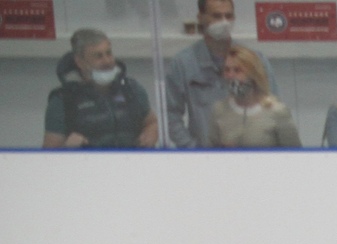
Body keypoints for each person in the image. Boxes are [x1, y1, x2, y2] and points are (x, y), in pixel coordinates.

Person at [44, 30, 158, 150]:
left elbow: (151, 122)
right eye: (98, 56)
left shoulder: (131, 89)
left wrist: (151, 132)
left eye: (109, 53)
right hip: (86, 162)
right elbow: (48, 155)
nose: (107, 61)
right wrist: (67, 148)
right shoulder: (63, 100)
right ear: (80, 62)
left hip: (132, 160)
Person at [163, 0, 241, 147]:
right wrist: (191, 150)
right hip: (202, 155)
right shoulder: (183, 63)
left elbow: (270, 108)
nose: (224, 22)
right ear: (201, 18)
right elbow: (170, 114)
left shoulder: (254, 60)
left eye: (229, 16)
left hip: (247, 155)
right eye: (217, 16)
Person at [208, 46, 299, 148]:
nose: (230, 75)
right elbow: (211, 152)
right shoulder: (219, 110)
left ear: (253, 74)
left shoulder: (277, 112)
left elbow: (294, 153)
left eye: (237, 70)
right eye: (227, 70)